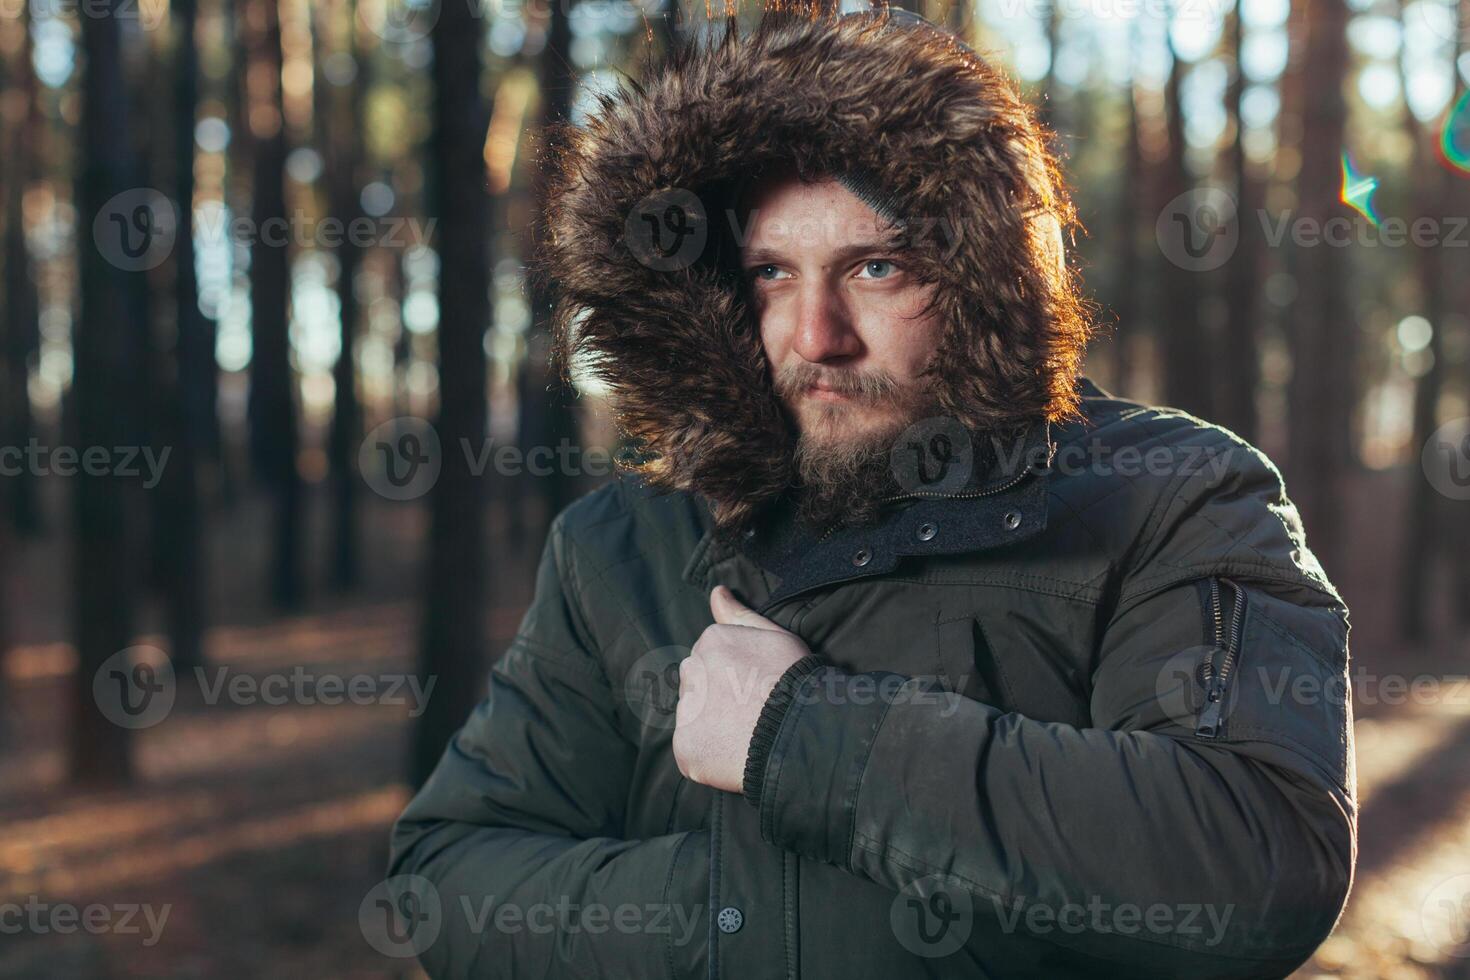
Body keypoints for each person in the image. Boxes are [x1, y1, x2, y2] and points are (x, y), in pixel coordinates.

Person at [389, 6, 1355, 977]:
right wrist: (736, 917)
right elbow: (448, 875)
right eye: (771, 273)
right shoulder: (622, 541)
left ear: (984, 274)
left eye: (876, 267)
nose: (816, 334)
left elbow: (1260, 859)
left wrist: (799, 732)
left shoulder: (1170, 493)